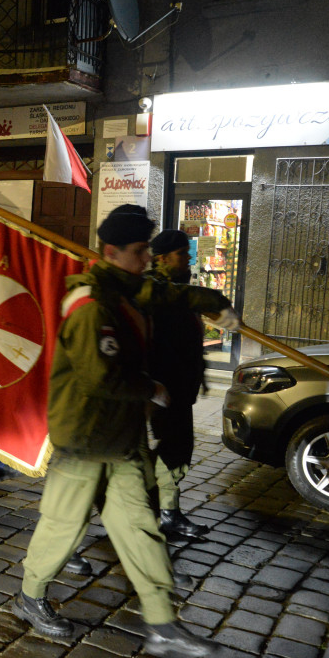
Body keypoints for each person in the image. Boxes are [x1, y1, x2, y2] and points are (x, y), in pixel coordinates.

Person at [13, 205, 238, 658]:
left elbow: (169, 296)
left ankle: (162, 623)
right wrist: (151, 388)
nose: (147, 261)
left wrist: (216, 305)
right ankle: (30, 595)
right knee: (64, 523)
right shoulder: (91, 307)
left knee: (139, 526)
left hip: (123, 438)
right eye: (139, 253)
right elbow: (100, 377)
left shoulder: (128, 289)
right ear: (111, 252)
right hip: (86, 437)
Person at [146, 229, 213, 539]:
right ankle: (164, 512)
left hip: (181, 386)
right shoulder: (157, 293)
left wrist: (201, 372)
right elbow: (159, 343)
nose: (188, 259)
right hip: (167, 388)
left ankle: (156, 508)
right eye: (182, 255)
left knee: (175, 448)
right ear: (162, 258)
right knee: (174, 450)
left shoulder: (177, 289)